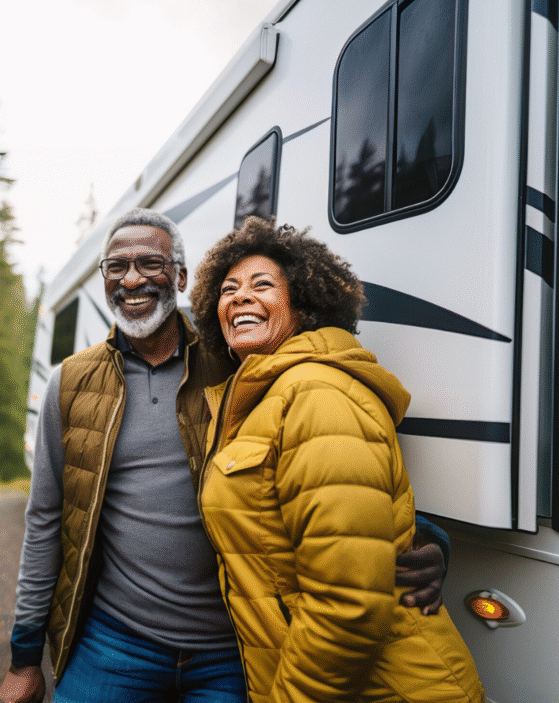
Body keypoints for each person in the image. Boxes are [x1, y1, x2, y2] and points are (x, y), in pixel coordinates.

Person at [0, 209, 450, 703]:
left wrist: (426, 538)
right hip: (116, 639)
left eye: (151, 264)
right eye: (116, 267)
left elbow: (330, 471)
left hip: (231, 649)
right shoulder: (71, 383)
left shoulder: (235, 362)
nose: (132, 279)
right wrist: (24, 656)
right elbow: (46, 520)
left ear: (181, 278)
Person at [189, 217, 485, 703]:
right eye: (228, 289)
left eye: (262, 285)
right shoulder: (259, 399)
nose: (240, 297)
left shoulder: (317, 394)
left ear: (305, 303)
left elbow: (347, 607)